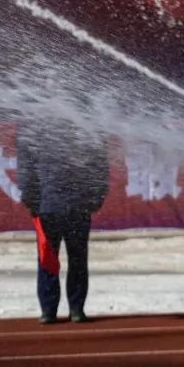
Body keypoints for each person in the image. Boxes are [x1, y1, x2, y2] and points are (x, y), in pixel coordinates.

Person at [16, 119, 111, 324]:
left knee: (47, 260)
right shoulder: (86, 125)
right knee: (77, 259)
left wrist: (31, 201)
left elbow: (26, 172)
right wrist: (96, 199)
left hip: (47, 207)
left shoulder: (31, 127)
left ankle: (48, 311)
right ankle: (76, 309)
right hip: (78, 206)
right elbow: (100, 168)